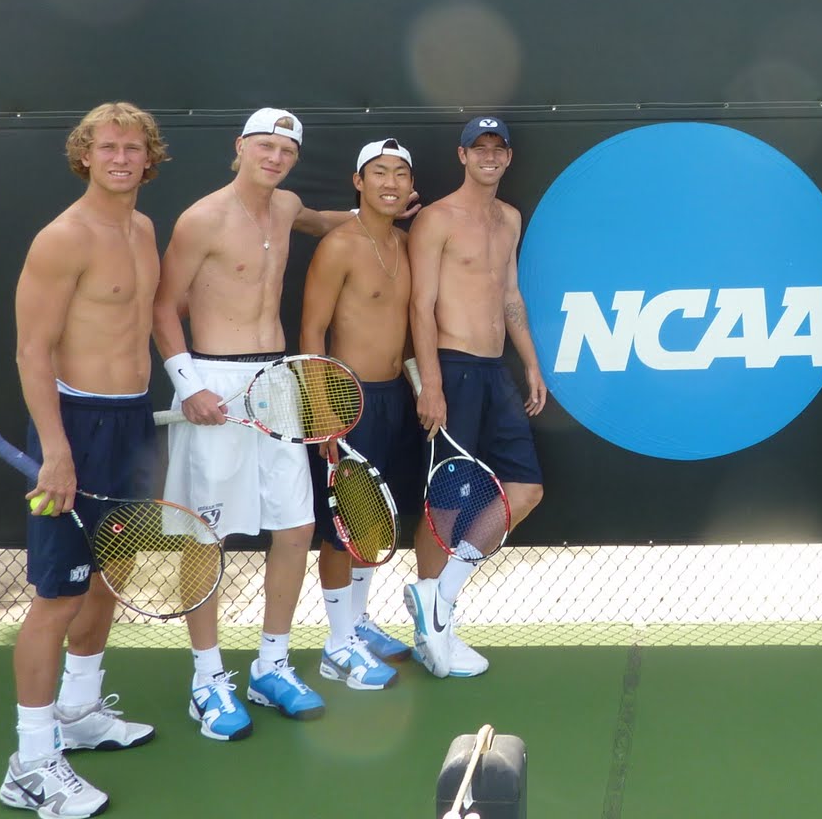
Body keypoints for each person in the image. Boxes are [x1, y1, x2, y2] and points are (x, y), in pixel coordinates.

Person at [152, 108, 362, 739]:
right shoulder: (201, 218)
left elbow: (319, 219)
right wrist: (187, 386)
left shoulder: (286, 204)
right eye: (265, 146)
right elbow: (164, 305)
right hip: (214, 384)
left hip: (277, 382)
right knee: (204, 538)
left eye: (287, 150)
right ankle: (207, 679)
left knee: (296, 526)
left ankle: (271, 664)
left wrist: (370, 214)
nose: (275, 158)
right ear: (239, 146)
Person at [2, 102, 168, 817]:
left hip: (132, 420)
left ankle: (80, 712)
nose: (122, 158)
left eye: (134, 148)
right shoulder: (61, 239)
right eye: (109, 147)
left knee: (111, 570)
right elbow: (31, 351)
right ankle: (31, 762)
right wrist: (56, 452)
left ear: (149, 159)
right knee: (56, 595)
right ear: (85, 156)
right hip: (70, 427)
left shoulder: (144, 228)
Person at [403, 116, 546, 678]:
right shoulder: (436, 219)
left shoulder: (508, 217)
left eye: (498, 148)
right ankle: (434, 630)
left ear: (508, 157)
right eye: (478, 148)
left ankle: (438, 600)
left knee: (526, 488)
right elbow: (420, 306)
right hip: (452, 370)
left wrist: (531, 362)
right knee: (445, 504)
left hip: (495, 371)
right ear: (462, 156)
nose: (489, 156)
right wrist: (432, 384)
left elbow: (510, 295)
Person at [300, 139, 427, 691]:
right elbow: (310, 333)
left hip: (394, 399)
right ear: (358, 182)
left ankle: (356, 623)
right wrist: (325, 412)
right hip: (346, 405)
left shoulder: (405, 243)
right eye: (380, 173)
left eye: (401, 174)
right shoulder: (339, 245)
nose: (391, 183)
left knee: (373, 524)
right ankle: (335, 646)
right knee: (340, 530)